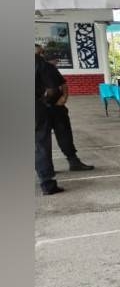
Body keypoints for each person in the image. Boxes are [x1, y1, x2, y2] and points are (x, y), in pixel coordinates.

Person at [35, 45, 94, 173]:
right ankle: (45, 168)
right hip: (41, 109)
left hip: (56, 107)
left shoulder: (48, 67)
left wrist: (64, 97)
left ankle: (73, 162)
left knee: (64, 135)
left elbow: (63, 83)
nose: (41, 55)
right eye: (40, 53)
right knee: (42, 141)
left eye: (41, 53)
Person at [35, 48, 65, 195]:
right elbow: (53, 88)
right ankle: (47, 184)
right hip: (35, 107)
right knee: (41, 144)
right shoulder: (39, 63)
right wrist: (44, 100)